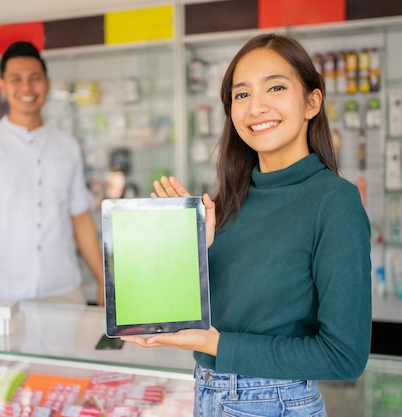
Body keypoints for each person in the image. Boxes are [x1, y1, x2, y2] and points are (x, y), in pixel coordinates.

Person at [122, 33, 372, 416]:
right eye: (241, 95)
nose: (256, 106)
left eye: (275, 87)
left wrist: (215, 346)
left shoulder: (334, 201)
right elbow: (211, 314)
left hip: (274, 403)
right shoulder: (228, 200)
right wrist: (192, 252)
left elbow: (343, 357)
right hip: (209, 392)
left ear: (312, 102)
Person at [0, 41, 104, 320]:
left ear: (47, 84)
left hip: (64, 291)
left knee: (69, 365)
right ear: (2, 87)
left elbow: (80, 218)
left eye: (35, 78)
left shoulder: (67, 146)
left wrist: (104, 282)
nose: (27, 88)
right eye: (16, 79)